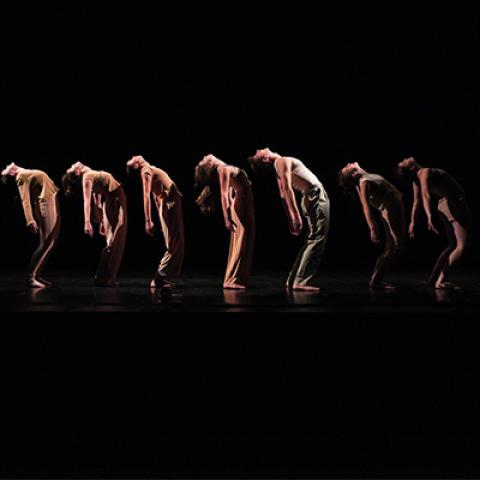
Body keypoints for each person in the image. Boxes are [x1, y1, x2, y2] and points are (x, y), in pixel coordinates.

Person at [248, 148, 330, 292]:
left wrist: (290, 217)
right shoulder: (281, 161)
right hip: (314, 196)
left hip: (311, 196)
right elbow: (286, 190)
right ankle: (300, 281)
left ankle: (293, 279)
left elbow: (282, 194)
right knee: (317, 239)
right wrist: (295, 215)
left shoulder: (278, 167)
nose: (258, 150)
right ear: (266, 159)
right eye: (258, 153)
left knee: (312, 239)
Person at [396, 157, 471, 290]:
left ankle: (432, 280)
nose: (405, 158)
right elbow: (425, 195)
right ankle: (440, 281)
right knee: (461, 246)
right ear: (411, 167)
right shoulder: (424, 172)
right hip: (454, 204)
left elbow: (416, 202)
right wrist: (429, 216)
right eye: (404, 161)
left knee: (452, 245)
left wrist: (413, 222)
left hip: (444, 205)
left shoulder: (416, 180)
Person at [338, 162, 405, 290]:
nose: (348, 163)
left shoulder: (366, 177)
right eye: (346, 167)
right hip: (391, 211)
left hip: (394, 209)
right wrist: (372, 227)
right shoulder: (364, 182)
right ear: (354, 173)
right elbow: (365, 206)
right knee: (394, 247)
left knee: (395, 247)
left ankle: (376, 280)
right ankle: (376, 281)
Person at [195, 154, 255, 289]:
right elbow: (224, 196)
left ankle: (234, 278)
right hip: (241, 202)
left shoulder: (225, 168)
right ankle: (231, 280)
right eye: (203, 159)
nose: (205, 156)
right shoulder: (223, 169)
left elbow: (228, 192)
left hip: (244, 201)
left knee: (244, 240)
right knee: (241, 240)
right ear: (209, 164)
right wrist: (227, 219)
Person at [62, 162, 127, 286]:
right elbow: (86, 202)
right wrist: (87, 223)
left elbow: (97, 202)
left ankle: (101, 276)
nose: (76, 163)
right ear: (77, 172)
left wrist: (102, 221)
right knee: (117, 240)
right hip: (116, 200)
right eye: (73, 166)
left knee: (111, 242)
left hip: (111, 202)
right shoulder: (87, 177)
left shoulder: (92, 175)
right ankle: (109, 278)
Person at [126, 155, 185, 288]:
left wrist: (159, 211)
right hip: (170, 204)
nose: (134, 156)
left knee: (176, 243)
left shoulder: (149, 169)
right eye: (133, 159)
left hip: (170, 203)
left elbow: (154, 193)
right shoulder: (146, 170)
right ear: (137, 165)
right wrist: (148, 220)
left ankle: (165, 276)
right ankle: (161, 277)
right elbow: (146, 195)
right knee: (174, 244)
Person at [1, 163, 61, 288]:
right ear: (12, 173)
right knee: (45, 242)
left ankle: (37, 275)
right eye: (7, 168)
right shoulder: (21, 176)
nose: (9, 165)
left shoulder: (25, 172)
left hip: (50, 201)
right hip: (44, 204)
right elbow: (25, 200)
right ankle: (30, 277)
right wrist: (30, 220)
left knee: (51, 243)